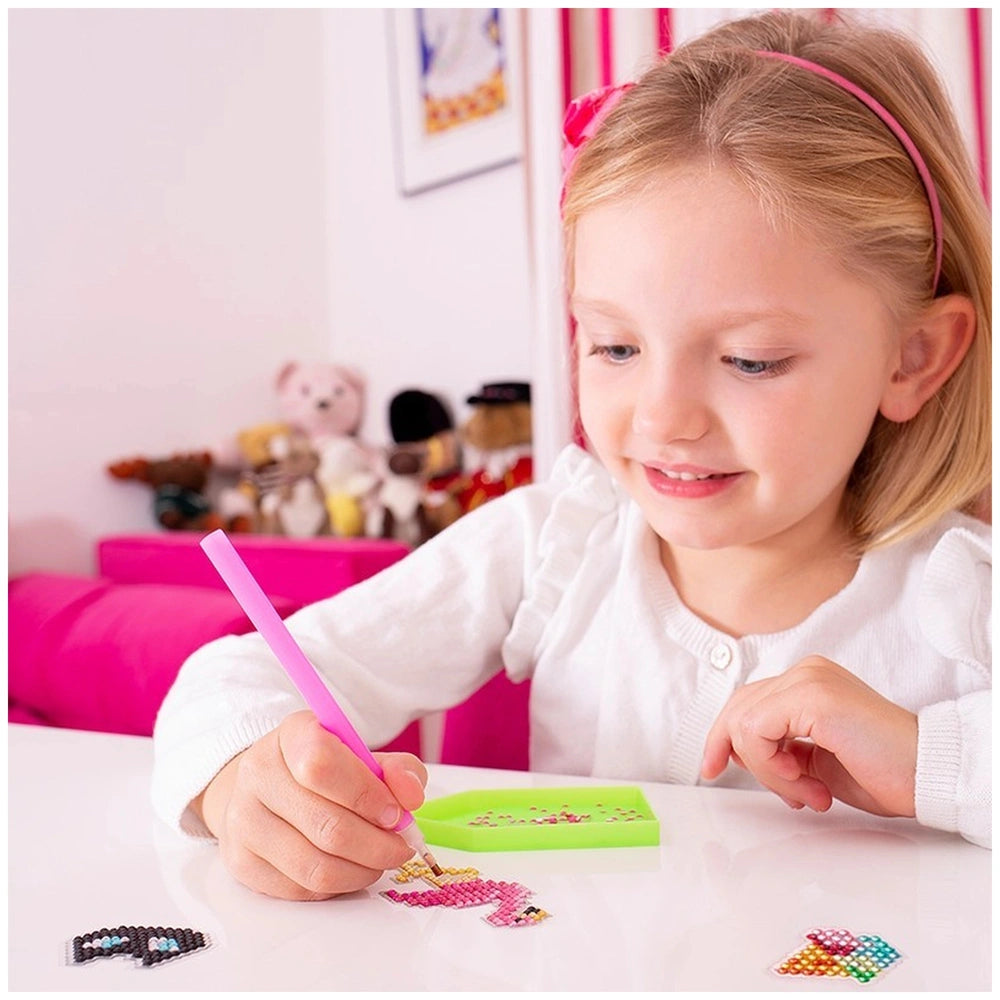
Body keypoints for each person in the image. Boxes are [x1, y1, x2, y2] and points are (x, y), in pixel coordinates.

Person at [152, 10, 991, 901]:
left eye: (751, 360)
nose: (662, 418)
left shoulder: (963, 594)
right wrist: (245, 780)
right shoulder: (557, 540)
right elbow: (231, 678)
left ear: (913, 357)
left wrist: (931, 761)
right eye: (615, 347)